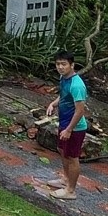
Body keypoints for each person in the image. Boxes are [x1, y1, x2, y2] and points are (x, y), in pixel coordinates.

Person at [43, 50, 89, 199]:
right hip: (64, 123)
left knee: (72, 157)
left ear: (72, 65)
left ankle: (70, 190)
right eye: (58, 64)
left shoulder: (77, 86)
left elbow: (80, 111)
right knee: (62, 150)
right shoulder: (63, 78)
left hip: (75, 128)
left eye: (64, 64)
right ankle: (65, 179)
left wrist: (69, 129)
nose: (60, 67)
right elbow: (63, 96)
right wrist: (53, 104)